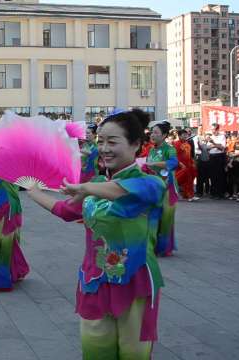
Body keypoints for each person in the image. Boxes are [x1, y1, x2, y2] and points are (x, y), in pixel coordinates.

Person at [27, 109, 165, 359]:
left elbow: (126, 191)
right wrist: (34, 192)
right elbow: (65, 211)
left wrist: (87, 187)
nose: (104, 148)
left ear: (136, 145)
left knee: (133, 353)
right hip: (95, 280)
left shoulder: (150, 183)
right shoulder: (97, 184)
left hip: (134, 280)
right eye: (100, 141)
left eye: (112, 142)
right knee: (95, 349)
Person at [145, 121, 178, 257]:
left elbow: (173, 163)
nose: (153, 135)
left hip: (167, 188)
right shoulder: (152, 150)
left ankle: (163, 248)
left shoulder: (169, 149)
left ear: (164, 135)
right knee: (152, 217)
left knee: (165, 219)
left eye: (156, 132)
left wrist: (154, 164)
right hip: (153, 187)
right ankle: (151, 246)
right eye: (152, 132)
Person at [173, 129, 198, 202]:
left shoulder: (187, 143)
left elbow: (189, 155)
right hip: (180, 165)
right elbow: (174, 156)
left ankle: (190, 195)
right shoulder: (176, 144)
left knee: (190, 180)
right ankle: (187, 195)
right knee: (180, 180)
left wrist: (192, 163)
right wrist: (180, 164)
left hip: (188, 165)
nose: (185, 136)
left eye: (186, 135)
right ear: (179, 136)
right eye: (183, 135)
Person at [208, 123, 227, 199]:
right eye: (212, 129)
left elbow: (222, 148)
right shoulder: (210, 137)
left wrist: (214, 144)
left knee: (219, 175)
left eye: (214, 129)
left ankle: (220, 193)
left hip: (219, 157)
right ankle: (213, 193)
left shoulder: (222, 136)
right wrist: (216, 145)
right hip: (211, 157)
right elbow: (208, 147)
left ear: (218, 129)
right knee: (212, 176)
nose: (212, 131)